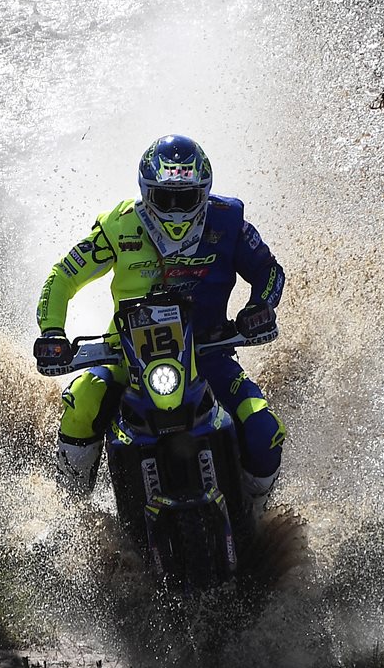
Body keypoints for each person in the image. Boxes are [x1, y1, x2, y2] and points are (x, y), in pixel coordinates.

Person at [33, 134, 286, 500]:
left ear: (204, 191)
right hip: (125, 356)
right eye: (164, 197)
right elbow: (63, 275)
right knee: (82, 402)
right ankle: (70, 514)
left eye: (186, 198)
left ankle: (257, 514)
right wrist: (53, 330)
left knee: (264, 430)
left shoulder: (229, 222)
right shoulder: (116, 227)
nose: (176, 209)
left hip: (208, 353)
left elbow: (269, 271)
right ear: (145, 191)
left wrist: (259, 307)